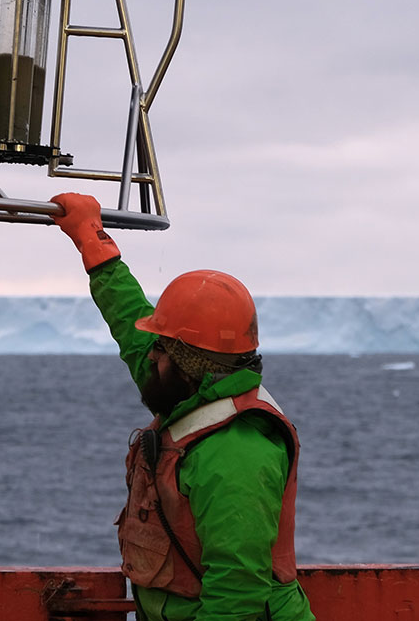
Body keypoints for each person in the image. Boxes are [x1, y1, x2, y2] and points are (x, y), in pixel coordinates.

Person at [50, 193, 316, 621]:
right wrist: (93, 243)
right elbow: (131, 324)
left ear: (189, 364)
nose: (148, 357)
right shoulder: (186, 391)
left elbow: (235, 599)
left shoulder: (237, 452)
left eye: (161, 349)